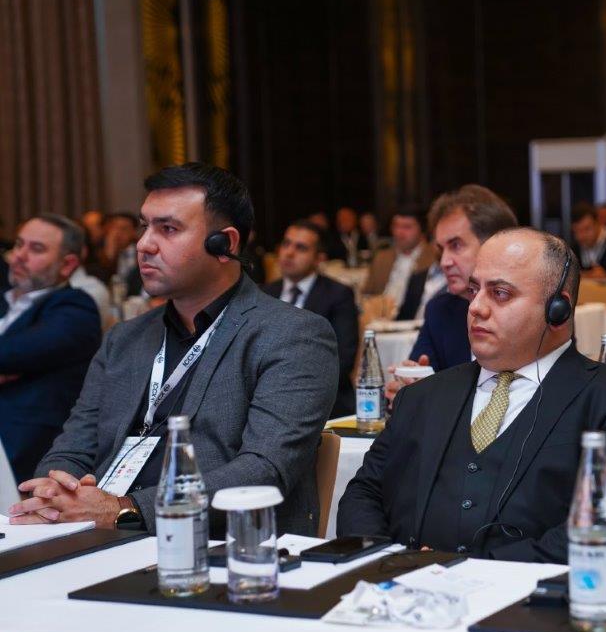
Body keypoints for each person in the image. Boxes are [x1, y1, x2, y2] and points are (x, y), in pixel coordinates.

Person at [8, 163, 338, 535]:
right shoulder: (124, 339)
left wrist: (124, 509)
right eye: (144, 227)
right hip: (98, 536)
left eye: (168, 229)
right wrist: (55, 491)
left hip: (222, 546)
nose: (143, 245)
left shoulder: (292, 335)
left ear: (225, 244)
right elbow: (73, 447)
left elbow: (262, 471)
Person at [338, 228, 606, 562]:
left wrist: (468, 573)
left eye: (500, 293)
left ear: (558, 310)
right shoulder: (422, 396)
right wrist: (388, 562)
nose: (476, 307)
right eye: (474, 290)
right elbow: (364, 494)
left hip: (531, 591)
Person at [385, 185, 517, 401]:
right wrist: (406, 390)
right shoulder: (440, 311)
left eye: (456, 246)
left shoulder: (528, 311)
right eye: (441, 249)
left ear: (494, 244)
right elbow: (419, 384)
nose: (444, 262)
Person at [0, 214, 102, 481]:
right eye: (18, 244)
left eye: (36, 249)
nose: (19, 256)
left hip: (21, 446)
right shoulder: (5, 302)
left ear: (67, 265)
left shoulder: (75, 307)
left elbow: (11, 353)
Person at [263, 220, 358, 417]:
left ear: (319, 258)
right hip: (265, 400)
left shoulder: (337, 295)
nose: (289, 253)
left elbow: (342, 360)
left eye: (301, 248)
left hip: (323, 403)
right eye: (286, 244)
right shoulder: (264, 293)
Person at [361, 206, 435, 311]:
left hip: (417, 316)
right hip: (382, 315)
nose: (399, 232)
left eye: (407, 227)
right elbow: (367, 294)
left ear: (422, 231)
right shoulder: (381, 257)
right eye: (396, 226)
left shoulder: (434, 258)